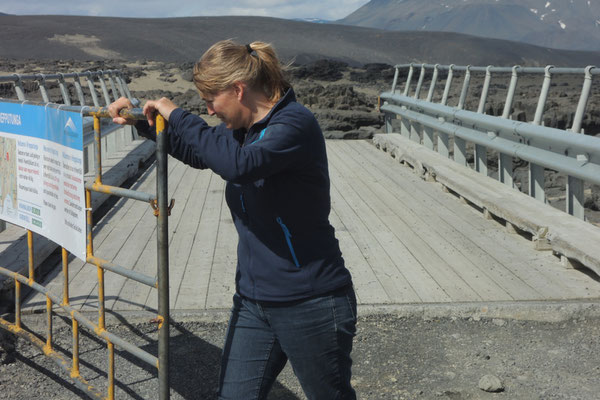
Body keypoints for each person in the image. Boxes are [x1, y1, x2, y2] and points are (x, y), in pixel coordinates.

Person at [109, 40, 357, 400]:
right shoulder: (244, 130)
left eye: (211, 100)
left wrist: (178, 114)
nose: (209, 110)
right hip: (255, 301)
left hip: (311, 301)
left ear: (238, 90)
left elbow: (238, 166)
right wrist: (144, 123)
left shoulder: (294, 125)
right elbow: (201, 152)